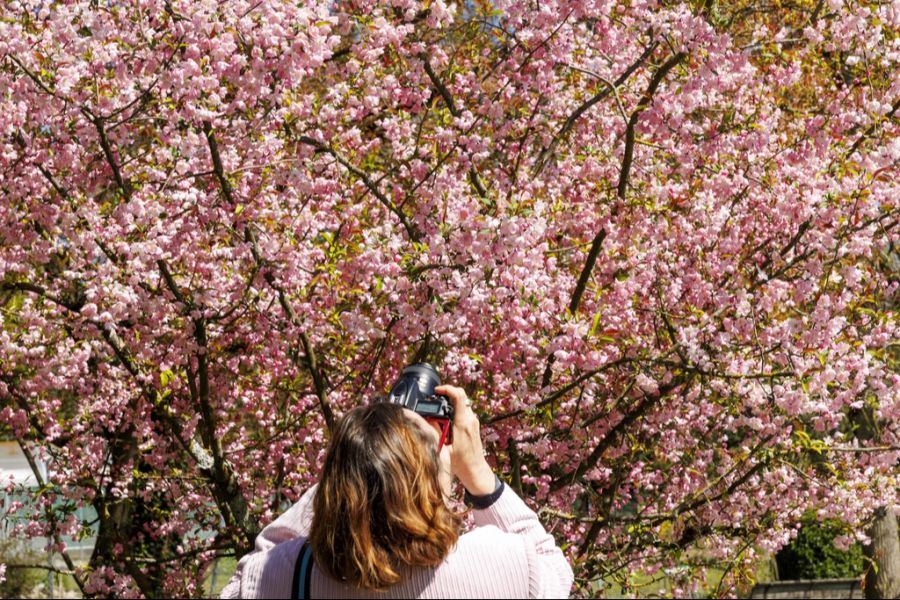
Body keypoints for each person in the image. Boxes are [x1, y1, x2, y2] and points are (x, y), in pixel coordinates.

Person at [220, 385, 574, 598]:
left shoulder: (284, 575)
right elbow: (554, 567)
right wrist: (478, 473)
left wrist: (357, 460)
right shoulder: (501, 564)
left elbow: (261, 557)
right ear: (435, 477)